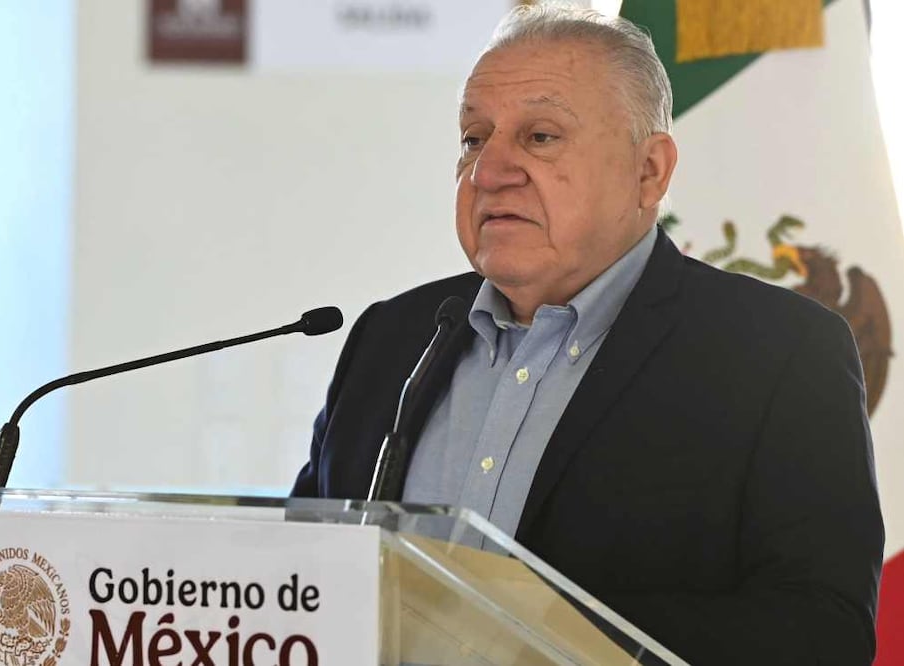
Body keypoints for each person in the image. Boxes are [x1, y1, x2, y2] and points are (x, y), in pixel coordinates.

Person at [291, 4, 883, 664]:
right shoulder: (391, 337)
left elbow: (821, 631)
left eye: (539, 137)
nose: (488, 171)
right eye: (472, 138)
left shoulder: (780, 352)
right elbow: (299, 570)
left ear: (648, 172)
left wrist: (535, 632)